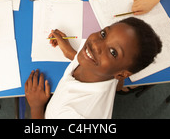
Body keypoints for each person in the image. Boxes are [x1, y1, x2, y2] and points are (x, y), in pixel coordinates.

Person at [25, 17, 162, 118]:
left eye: (113, 52)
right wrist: (70, 52)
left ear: (121, 74)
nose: (95, 44)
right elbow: (117, 86)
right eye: (104, 34)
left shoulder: (73, 114)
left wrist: (36, 106)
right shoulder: (110, 73)